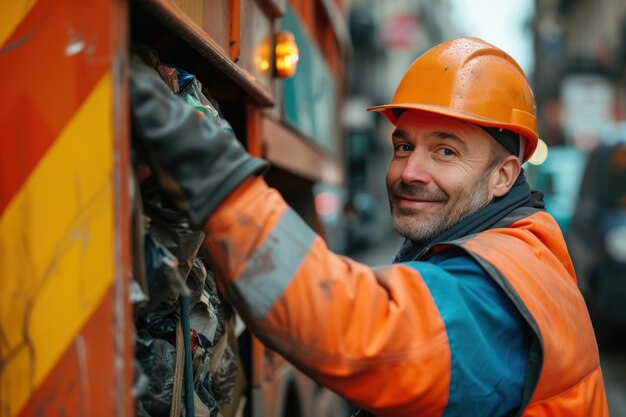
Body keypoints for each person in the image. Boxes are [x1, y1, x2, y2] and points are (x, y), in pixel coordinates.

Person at [130, 37, 609, 416]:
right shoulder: (517, 251)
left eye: (445, 151)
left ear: (504, 176)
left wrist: (217, 179)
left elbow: (356, 330)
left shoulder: (505, 290)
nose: (409, 172)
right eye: (404, 147)